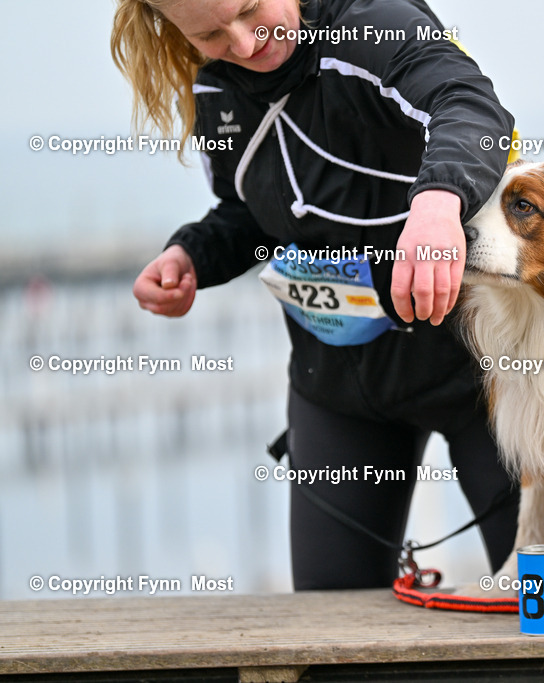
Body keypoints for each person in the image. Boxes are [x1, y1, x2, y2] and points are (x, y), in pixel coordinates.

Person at [111, 0, 520, 589]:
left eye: (251, 10)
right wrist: (193, 255)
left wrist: (437, 203)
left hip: (484, 368)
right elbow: (252, 212)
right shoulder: (216, 93)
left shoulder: (369, 22)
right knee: (330, 631)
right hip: (337, 380)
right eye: (211, 35)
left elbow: (471, 104)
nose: (246, 44)